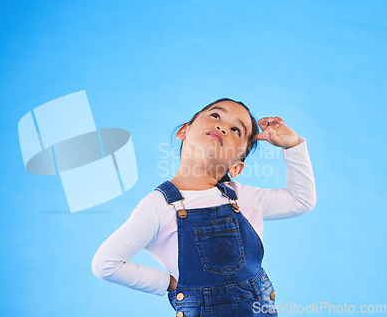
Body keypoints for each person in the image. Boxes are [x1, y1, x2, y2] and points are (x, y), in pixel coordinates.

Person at [92, 98, 316, 316]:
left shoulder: (241, 197)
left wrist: (292, 146)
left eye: (236, 130)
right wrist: (170, 284)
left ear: (237, 167)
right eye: (216, 115)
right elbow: (106, 264)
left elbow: (301, 201)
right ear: (184, 131)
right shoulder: (158, 206)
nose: (223, 126)